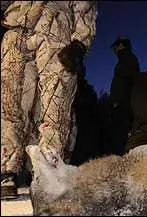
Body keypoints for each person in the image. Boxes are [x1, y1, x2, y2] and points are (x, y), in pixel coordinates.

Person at [1, 1, 97, 198]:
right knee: (10, 101)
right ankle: (7, 170)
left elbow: (85, 5)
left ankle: (47, 172)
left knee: (55, 103)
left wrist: (80, 42)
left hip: (56, 26)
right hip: (17, 26)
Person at [108, 37, 140, 155]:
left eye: (115, 48)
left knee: (121, 139)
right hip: (124, 106)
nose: (114, 51)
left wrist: (117, 102)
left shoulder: (127, 59)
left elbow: (125, 82)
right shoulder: (125, 59)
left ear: (120, 45)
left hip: (124, 107)